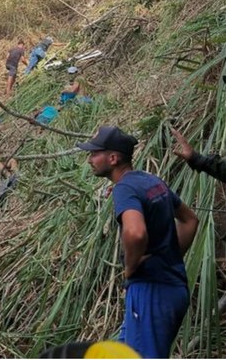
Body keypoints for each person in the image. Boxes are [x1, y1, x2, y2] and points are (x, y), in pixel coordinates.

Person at [77, 126, 199, 358]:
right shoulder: (150, 180)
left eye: (94, 154)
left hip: (151, 292)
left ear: (113, 158)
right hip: (174, 287)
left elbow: (135, 233)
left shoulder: (124, 188)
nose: (89, 159)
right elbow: (190, 220)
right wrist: (169, 257)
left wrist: (131, 266)